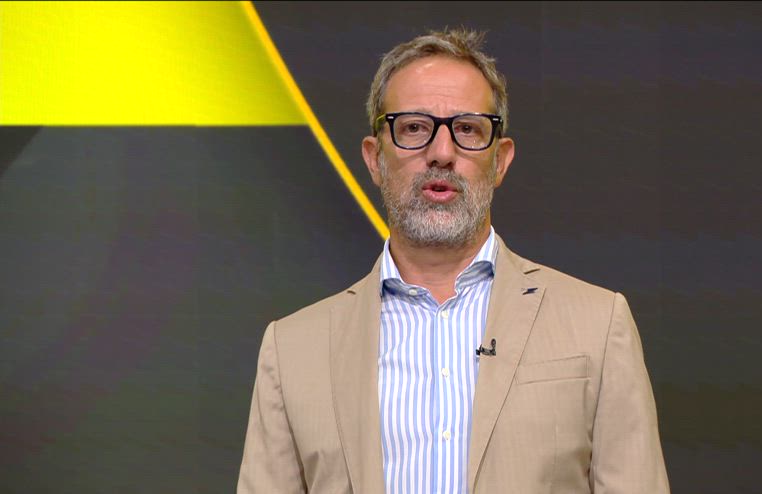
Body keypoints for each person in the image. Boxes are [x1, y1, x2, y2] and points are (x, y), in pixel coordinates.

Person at [238, 28, 670, 494]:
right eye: (413, 128)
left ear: (500, 160)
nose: (441, 153)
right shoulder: (293, 350)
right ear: (375, 159)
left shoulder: (597, 324)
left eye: (467, 129)